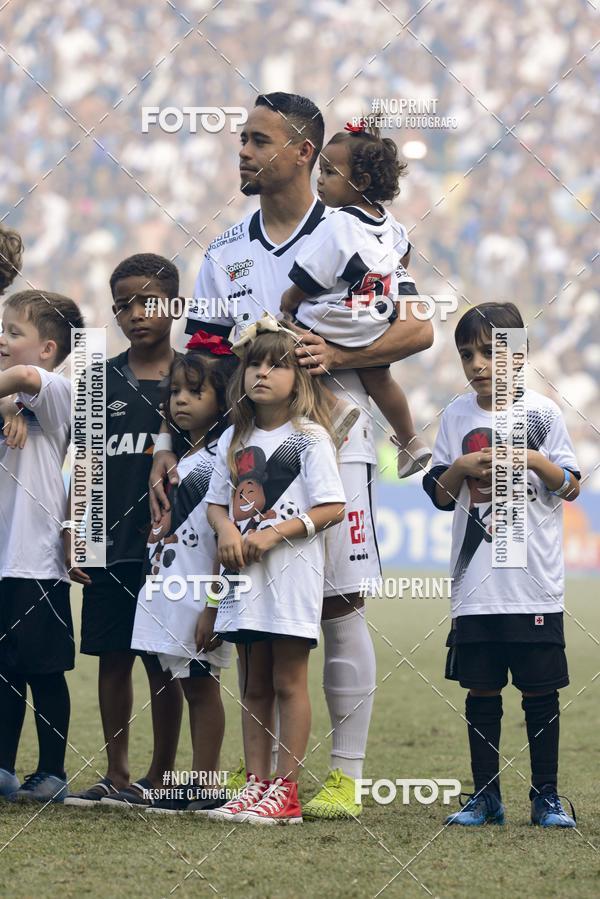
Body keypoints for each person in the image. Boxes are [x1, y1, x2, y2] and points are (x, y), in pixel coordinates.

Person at [150, 92, 433, 820]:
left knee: (338, 607)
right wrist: (167, 444)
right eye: (239, 137)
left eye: (256, 139)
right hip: (247, 456)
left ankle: (344, 775)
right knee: (252, 617)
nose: (240, 150)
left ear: (303, 152)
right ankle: (265, 779)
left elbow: (415, 331)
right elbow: (204, 361)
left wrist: (336, 351)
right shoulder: (226, 252)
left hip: (337, 446)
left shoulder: (353, 231)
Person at [423, 301, 580, 828]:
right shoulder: (456, 416)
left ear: (518, 353)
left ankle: (547, 798)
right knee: (481, 692)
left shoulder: (543, 414)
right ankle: (486, 797)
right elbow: (441, 496)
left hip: (533, 585)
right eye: (467, 355)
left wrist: (536, 460)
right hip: (475, 588)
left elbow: (573, 485)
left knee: (540, 693)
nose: (477, 365)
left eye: (489, 352)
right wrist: (462, 467)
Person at [205, 324, 346, 824]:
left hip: (290, 579)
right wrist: (226, 531)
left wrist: (272, 535)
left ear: (299, 377)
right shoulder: (235, 436)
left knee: (288, 682)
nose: (262, 372)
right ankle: (256, 784)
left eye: (277, 365)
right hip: (245, 584)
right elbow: (217, 505)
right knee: (253, 685)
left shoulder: (309, 438)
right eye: (255, 364)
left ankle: (285, 792)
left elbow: (331, 507)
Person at [64, 254, 183, 809]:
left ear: (176, 306)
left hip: (170, 554)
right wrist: (73, 529)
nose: (134, 313)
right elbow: (84, 461)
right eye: (123, 305)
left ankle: (161, 778)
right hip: (109, 547)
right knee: (112, 657)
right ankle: (117, 775)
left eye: (147, 301)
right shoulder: (96, 381)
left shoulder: (195, 381)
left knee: (164, 661)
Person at [281, 120, 431, 478]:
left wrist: (288, 305)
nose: (319, 180)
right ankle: (410, 440)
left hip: (339, 320)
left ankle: (333, 407)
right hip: (378, 320)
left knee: (284, 340)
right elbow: (403, 261)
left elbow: (304, 279)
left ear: (360, 183)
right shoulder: (391, 223)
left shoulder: (336, 224)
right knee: (379, 377)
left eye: (329, 173)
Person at [131, 331, 238, 813]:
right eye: (175, 392)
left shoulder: (224, 456)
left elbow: (223, 538)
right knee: (168, 676)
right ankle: (179, 780)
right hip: (164, 587)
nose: (181, 400)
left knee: (200, 684)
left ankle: (206, 783)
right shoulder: (180, 456)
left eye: (196, 392)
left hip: (197, 594)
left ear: (222, 399)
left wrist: (213, 605)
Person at [0, 289, 84, 802]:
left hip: (35, 559)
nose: (2, 339)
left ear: (48, 348)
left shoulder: (55, 391)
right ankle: (4, 770)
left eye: (13, 332)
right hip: (3, 561)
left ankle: (51, 771)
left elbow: (27, 380)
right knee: (4, 670)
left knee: (44, 670)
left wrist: (12, 396)